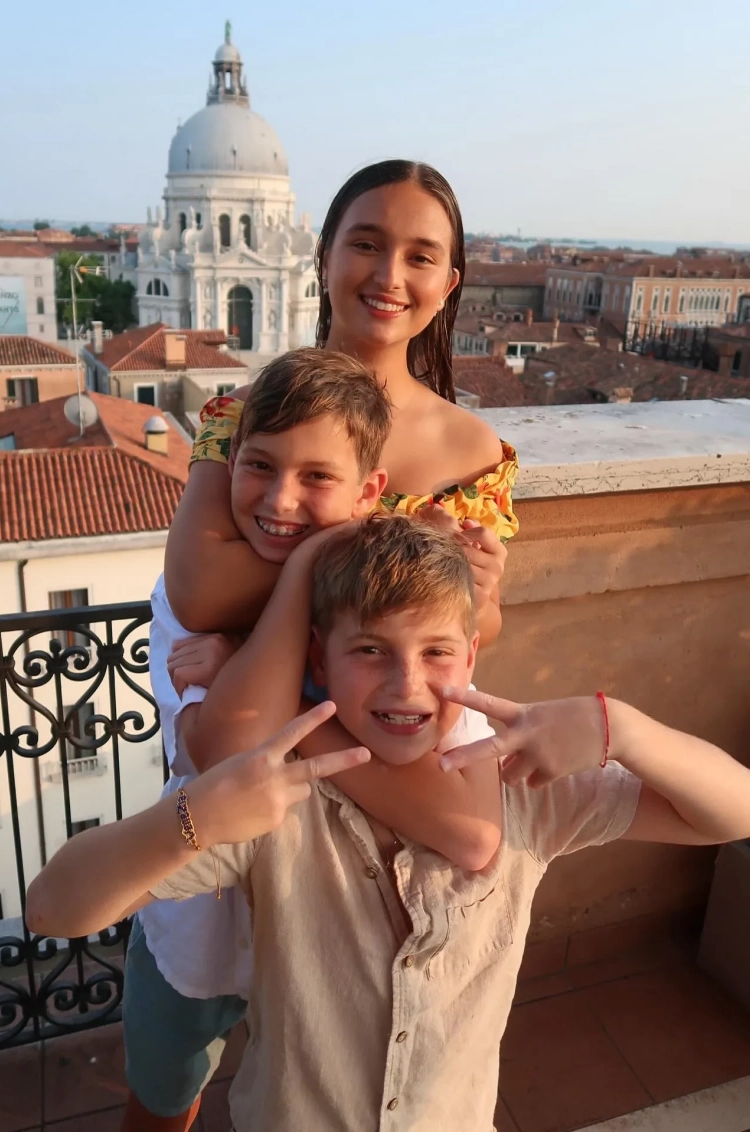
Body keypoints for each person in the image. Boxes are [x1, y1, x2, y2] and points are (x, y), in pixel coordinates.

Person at [26, 516, 750, 1132]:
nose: (407, 685)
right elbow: (54, 909)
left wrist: (619, 727)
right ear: (319, 657)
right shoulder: (278, 800)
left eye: (436, 652)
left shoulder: (521, 788)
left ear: (471, 655)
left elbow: (731, 812)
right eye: (370, 651)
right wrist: (196, 815)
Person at [133, 159, 519, 1129]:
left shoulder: (478, 453)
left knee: (331, 1061)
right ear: (322, 255)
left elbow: (472, 626)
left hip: (358, 810)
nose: (389, 275)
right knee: (170, 1063)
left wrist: (474, 593)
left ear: (449, 282)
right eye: (366, 244)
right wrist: (382, 544)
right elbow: (199, 584)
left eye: (419, 255)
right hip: (239, 786)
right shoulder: (245, 411)